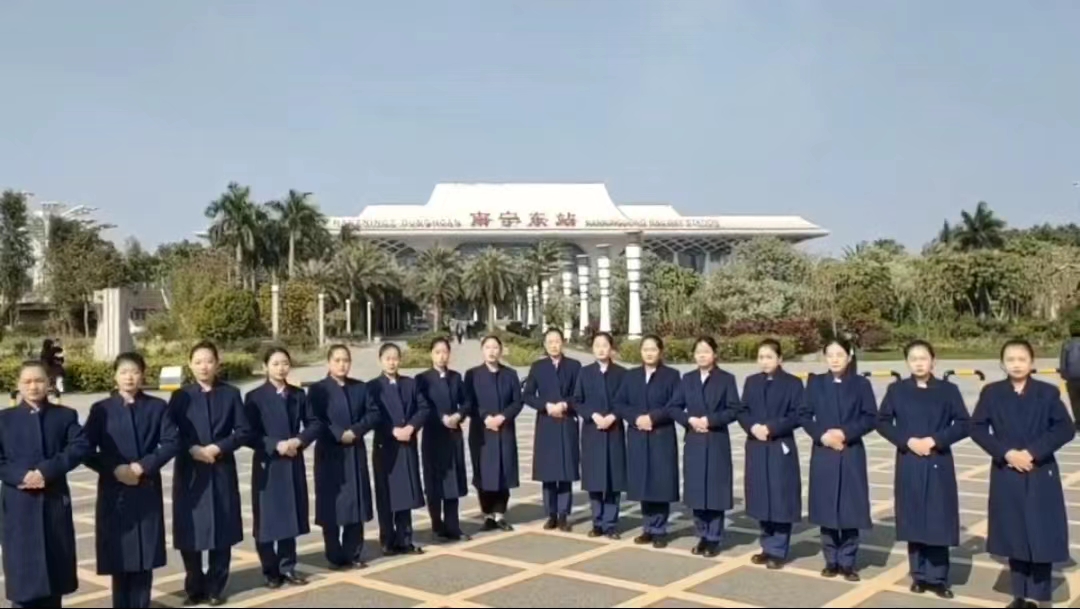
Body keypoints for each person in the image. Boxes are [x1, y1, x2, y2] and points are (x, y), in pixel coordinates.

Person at [971, 339, 1073, 608]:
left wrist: (1032, 452)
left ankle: (1038, 596)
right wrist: (1005, 453)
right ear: (1002, 364)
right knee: (1014, 532)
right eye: (1010, 359)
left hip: (1040, 469)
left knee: (1041, 532)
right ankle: (1019, 594)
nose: (1016, 364)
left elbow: (1064, 428)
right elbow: (977, 428)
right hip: (1007, 470)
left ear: (1032, 362)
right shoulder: (992, 393)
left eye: (1022, 359)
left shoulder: (1047, 393)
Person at [84, 352, 180, 609]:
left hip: (145, 485)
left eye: (135, 372)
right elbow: (85, 449)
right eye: (124, 372)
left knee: (145, 552)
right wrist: (114, 469)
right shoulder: (101, 409)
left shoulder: (157, 407)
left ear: (143, 375)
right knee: (118, 552)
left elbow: (171, 442)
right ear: (115, 376)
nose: (129, 377)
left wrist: (143, 465)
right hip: (114, 489)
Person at [877, 340, 968, 600]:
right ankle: (918, 575)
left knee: (938, 518)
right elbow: (882, 421)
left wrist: (935, 440)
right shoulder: (897, 390)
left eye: (923, 358)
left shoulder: (948, 390)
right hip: (909, 458)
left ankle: (938, 578)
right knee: (913, 516)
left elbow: (963, 423)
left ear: (933, 361)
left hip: (938, 458)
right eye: (913, 359)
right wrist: (906, 440)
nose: (919, 363)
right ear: (907, 362)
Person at [0, 361, 89, 608]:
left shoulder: (65, 416)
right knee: (23, 582)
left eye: (39, 380)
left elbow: (79, 446)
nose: (33, 386)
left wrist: (45, 471)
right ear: (18, 385)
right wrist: (21, 476)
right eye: (27, 381)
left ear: (49, 383)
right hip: (19, 505)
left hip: (53, 501)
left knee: (54, 577)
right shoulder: (4, 419)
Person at [169, 341, 246, 606]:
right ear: (190, 365)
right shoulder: (180, 397)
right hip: (190, 471)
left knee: (223, 528)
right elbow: (170, 434)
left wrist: (218, 447)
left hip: (220, 468)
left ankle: (215, 587)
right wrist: (191, 449)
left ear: (217, 363)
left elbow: (243, 431)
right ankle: (194, 586)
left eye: (209, 361)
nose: (204, 366)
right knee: (190, 529)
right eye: (198, 361)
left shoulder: (231, 394)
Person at [799, 338, 876, 582]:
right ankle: (831, 560)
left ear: (849, 356)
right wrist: (822, 435)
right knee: (827, 506)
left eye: (839, 355)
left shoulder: (861, 384)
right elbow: (804, 415)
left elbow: (870, 417)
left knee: (850, 508)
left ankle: (848, 562)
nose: (834, 359)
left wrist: (845, 433)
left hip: (850, 450)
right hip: (824, 451)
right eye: (830, 355)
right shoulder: (815, 383)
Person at [243, 347, 319, 589]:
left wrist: (299, 440)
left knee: (289, 515)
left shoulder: (298, 394)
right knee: (266, 520)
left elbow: (314, 423)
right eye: (275, 364)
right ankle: (270, 570)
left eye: (285, 363)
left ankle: (288, 567)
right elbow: (248, 434)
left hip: (292, 460)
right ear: (265, 367)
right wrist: (275, 445)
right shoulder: (254, 397)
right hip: (268, 463)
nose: (281, 368)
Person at [666, 337, 744, 557]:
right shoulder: (688, 379)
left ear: (715, 354)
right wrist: (689, 420)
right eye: (698, 351)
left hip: (716, 439)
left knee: (715, 490)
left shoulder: (726, 379)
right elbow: (673, 407)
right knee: (697, 490)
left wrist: (710, 420)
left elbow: (734, 410)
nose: (702, 355)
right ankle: (702, 534)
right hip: (694, 440)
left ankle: (714, 537)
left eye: (706, 351)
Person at [310, 344, 381, 570]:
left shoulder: (360, 387)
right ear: (329, 363)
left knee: (356, 502)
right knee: (331, 503)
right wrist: (338, 433)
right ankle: (334, 554)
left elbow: (373, 413)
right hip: (329, 452)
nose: (342, 365)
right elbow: (315, 419)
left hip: (354, 450)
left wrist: (356, 431)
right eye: (337, 360)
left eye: (346, 360)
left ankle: (353, 552)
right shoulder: (318, 390)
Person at [738, 339, 803, 570]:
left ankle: (778, 549)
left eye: (769, 357)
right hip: (756, 444)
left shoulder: (793, 383)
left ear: (780, 359)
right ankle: (766, 546)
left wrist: (772, 428)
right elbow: (742, 410)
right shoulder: (751, 381)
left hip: (779, 444)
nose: (764, 361)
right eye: (761, 357)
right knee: (761, 496)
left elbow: (798, 415)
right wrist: (752, 427)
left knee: (780, 496)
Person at [613, 335, 681, 549]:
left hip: (661, 434)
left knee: (660, 482)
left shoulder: (671, 375)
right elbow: (619, 403)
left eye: (653, 349)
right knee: (643, 481)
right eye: (645, 349)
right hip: (638, 434)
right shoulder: (631, 375)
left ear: (660, 352)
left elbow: (675, 404)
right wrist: (636, 418)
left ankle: (659, 529)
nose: (649, 353)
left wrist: (653, 418)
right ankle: (648, 527)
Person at [368, 343, 428, 555]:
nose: (392, 362)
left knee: (405, 492)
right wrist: (392, 431)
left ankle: (405, 538)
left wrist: (411, 427)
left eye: (395, 358)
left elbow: (423, 408)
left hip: (406, 444)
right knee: (386, 494)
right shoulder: (372, 387)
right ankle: (387, 539)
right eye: (388, 358)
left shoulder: (409, 384)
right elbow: (372, 415)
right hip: (386, 446)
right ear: (380, 360)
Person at [523, 328, 582, 532]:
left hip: (566, 420)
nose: (554, 345)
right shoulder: (538, 367)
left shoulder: (574, 366)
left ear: (563, 342)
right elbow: (528, 395)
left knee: (565, 471)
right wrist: (546, 406)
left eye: (557, 341)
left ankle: (563, 515)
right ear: (545, 344)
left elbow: (579, 395)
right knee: (548, 472)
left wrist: (565, 405)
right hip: (546, 422)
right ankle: (551, 514)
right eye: (550, 342)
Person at [463, 335, 523, 531]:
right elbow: (468, 402)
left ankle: (500, 514)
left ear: (501, 350)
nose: (492, 351)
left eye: (495, 347)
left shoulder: (510, 374)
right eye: (488, 347)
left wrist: (503, 417)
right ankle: (487, 514)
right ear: (482, 350)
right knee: (484, 472)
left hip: (504, 430)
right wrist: (485, 417)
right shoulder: (472, 375)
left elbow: (517, 401)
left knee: (504, 472)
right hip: (482, 432)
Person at [572, 331, 627, 539]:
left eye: (605, 345)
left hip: (614, 430)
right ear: (592, 349)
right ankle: (597, 522)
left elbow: (626, 401)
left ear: (611, 348)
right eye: (597, 345)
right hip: (592, 432)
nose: (601, 349)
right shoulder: (585, 373)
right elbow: (577, 400)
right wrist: (593, 415)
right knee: (594, 479)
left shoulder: (622, 373)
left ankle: (611, 523)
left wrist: (613, 416)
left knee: (613, 480)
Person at [417, 337, 471, 541]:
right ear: (431, 354)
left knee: (452, 481)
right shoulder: (422, 379)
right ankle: (436, 524)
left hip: (452, 435)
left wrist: (458, 415)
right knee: (434, 480)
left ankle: (453, 525)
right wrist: (441, 418)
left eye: (445, 352)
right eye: (437, 352)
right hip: (433, 434)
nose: (441, 356)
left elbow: (467, 402)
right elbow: (422, 405)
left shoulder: (456, 377)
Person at [1059, 321, 1080, 427]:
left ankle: (1078, 422)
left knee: (1075, 401)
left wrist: (1064, 375)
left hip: (1072, 377)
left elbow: (1063, 363)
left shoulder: (1066, 344)